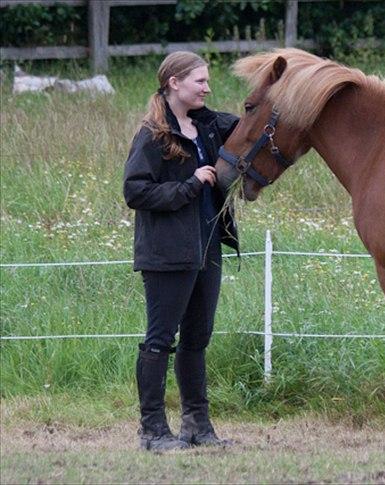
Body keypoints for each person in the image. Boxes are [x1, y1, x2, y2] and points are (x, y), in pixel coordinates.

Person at [123, 51, 239, 451]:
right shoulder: (153, 135)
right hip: (166, 253)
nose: (207, 88)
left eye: (207, 82)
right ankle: (152, 431)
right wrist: (190, 184)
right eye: (200, 81)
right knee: (160, 339)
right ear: (175, 83)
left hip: (207, 249)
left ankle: (197, 426)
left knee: (196, 339)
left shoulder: (208, 126)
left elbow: (250, 127)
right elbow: (134, 190)